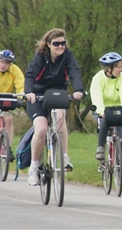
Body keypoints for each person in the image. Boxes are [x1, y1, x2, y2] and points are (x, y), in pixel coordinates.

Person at [24, 28, 84, 186]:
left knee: (59, 116)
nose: (60, 46)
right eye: (56, 43)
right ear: (49, 44)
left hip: (57, 94)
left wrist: (78, 90)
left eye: (63, 43)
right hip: (37, 96)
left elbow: (74, 72)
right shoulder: (40, 58)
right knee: (42, 129)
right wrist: (29, 92)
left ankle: (64, 157)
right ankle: (34, 167)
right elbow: (30, 75)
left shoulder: (68, 57)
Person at [90, 52, 122, 186]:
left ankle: (121, 172)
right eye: (118, 67)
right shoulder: (98, 78)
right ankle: (100, 148)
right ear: (109, 69)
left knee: (121, 140)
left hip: (119, 110)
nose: (121, 69)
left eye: (121, 66)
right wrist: (101, 111)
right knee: (104, 121)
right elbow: (96, 96)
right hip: (102, 110)